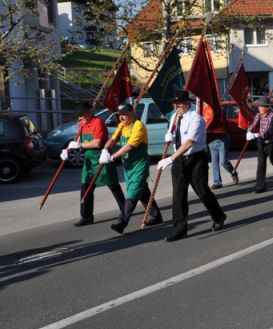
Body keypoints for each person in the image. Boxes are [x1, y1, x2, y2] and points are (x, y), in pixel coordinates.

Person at [157, 91, 227, 242]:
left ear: (187, 103)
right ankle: (179, 230)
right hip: (179, 161)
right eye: (174, 104)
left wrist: (170, 158)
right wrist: (169, 135)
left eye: (179, 104)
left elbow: (189, 142)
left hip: (196, 159)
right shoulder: (174, 117)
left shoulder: (196, 118)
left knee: (202, 192)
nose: (176, 107)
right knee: (178, 196)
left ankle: (219, 216)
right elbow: (174, 133)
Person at [100, 102, 163, 234]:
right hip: (128, 167)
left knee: (132, 193)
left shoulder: (138, 126)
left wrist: (112, 157)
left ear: (132, 113)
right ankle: (156, 216)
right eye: (119, 115)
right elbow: (113, 139)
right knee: (142, 192)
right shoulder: (121, 126)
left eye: (124, 115)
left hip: (139, 165)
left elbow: (129, 146)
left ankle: (121, 222)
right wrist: (105, 150)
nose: (121, 117)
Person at [63, 102, 124, 227]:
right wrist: (68, 148)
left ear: (88, 113)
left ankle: (125, 210)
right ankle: (86, 217)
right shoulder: (82, 124)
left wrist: (79, 145)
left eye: (81, 116)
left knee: (113, 187)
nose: (79, 119)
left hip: (102, 158)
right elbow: (78, 140)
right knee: (86, 188)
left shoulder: (98, 122)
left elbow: (97, 143)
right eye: (78, 116)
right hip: (89, 162)